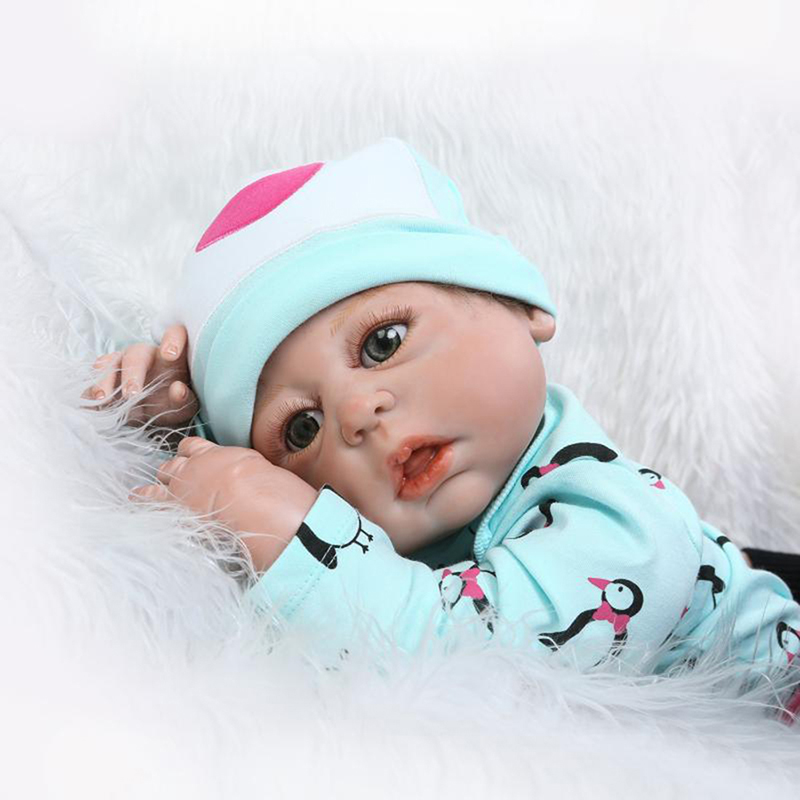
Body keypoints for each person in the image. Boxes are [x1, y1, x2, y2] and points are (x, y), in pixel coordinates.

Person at [84, 138, 800, 722]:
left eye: (383, 342)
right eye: (301, 428)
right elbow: (239, 526)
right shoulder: (394, 524)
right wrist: (167, 432)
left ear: (520, 303)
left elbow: (475, 667)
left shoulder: (630, 526)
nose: (356, 413)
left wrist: (300, 539)